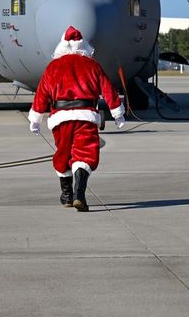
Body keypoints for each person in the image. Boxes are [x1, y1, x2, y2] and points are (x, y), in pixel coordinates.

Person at [28, 26, 125, 211]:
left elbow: (42, 94)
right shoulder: (92, 65)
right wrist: (117, 112)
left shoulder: (53, 67)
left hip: (60, 119)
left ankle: (66, 195)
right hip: (86, 116)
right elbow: (107, 89)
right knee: (85, 154)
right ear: (84, 46)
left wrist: (36, 118)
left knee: (63, 153)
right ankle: (79, 194)